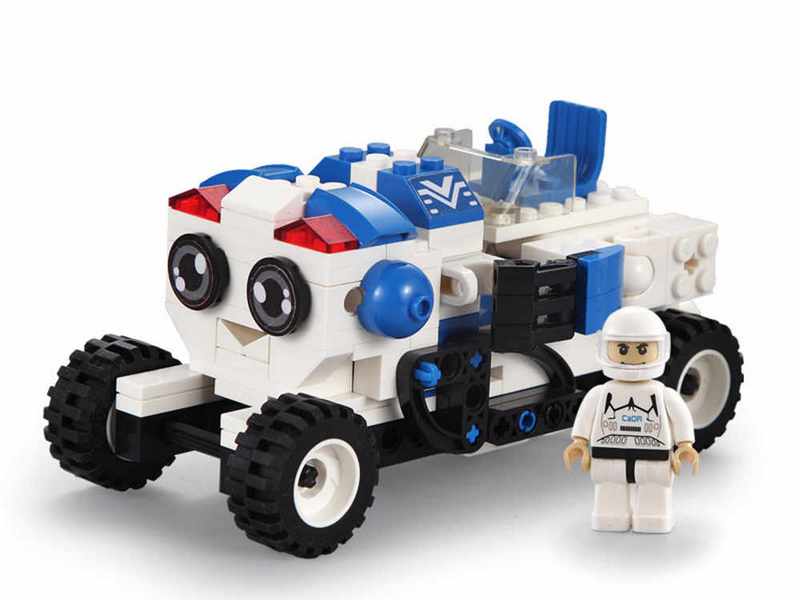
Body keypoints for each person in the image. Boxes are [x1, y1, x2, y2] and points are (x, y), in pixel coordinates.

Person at [563, 306, 699, 533]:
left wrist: (685, 445)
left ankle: (653, 518)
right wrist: (579, 442)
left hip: (653, 456)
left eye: (643, 349)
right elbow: (586, 417)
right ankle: (610, 518)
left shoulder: (663, 395)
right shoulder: (600, 394)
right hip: (609, 455)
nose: (633, 358)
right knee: (609, 491)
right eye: (623, 349)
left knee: (654, 490)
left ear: (662, 348)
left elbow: (680, 417)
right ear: (604, 348)